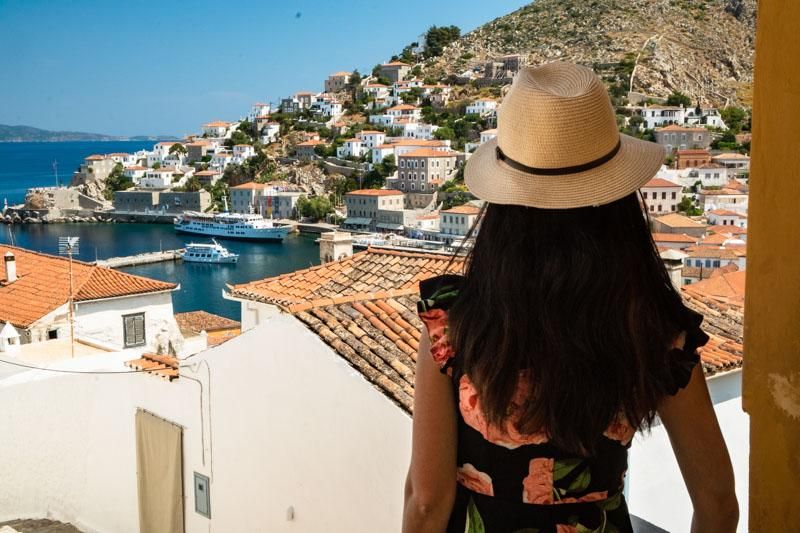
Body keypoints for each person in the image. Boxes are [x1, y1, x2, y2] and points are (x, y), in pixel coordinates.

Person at [402, 63, 738, 533]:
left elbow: (427, 500)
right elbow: (719, 502)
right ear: (618, 199)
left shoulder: (455, 320)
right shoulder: (656, 330)